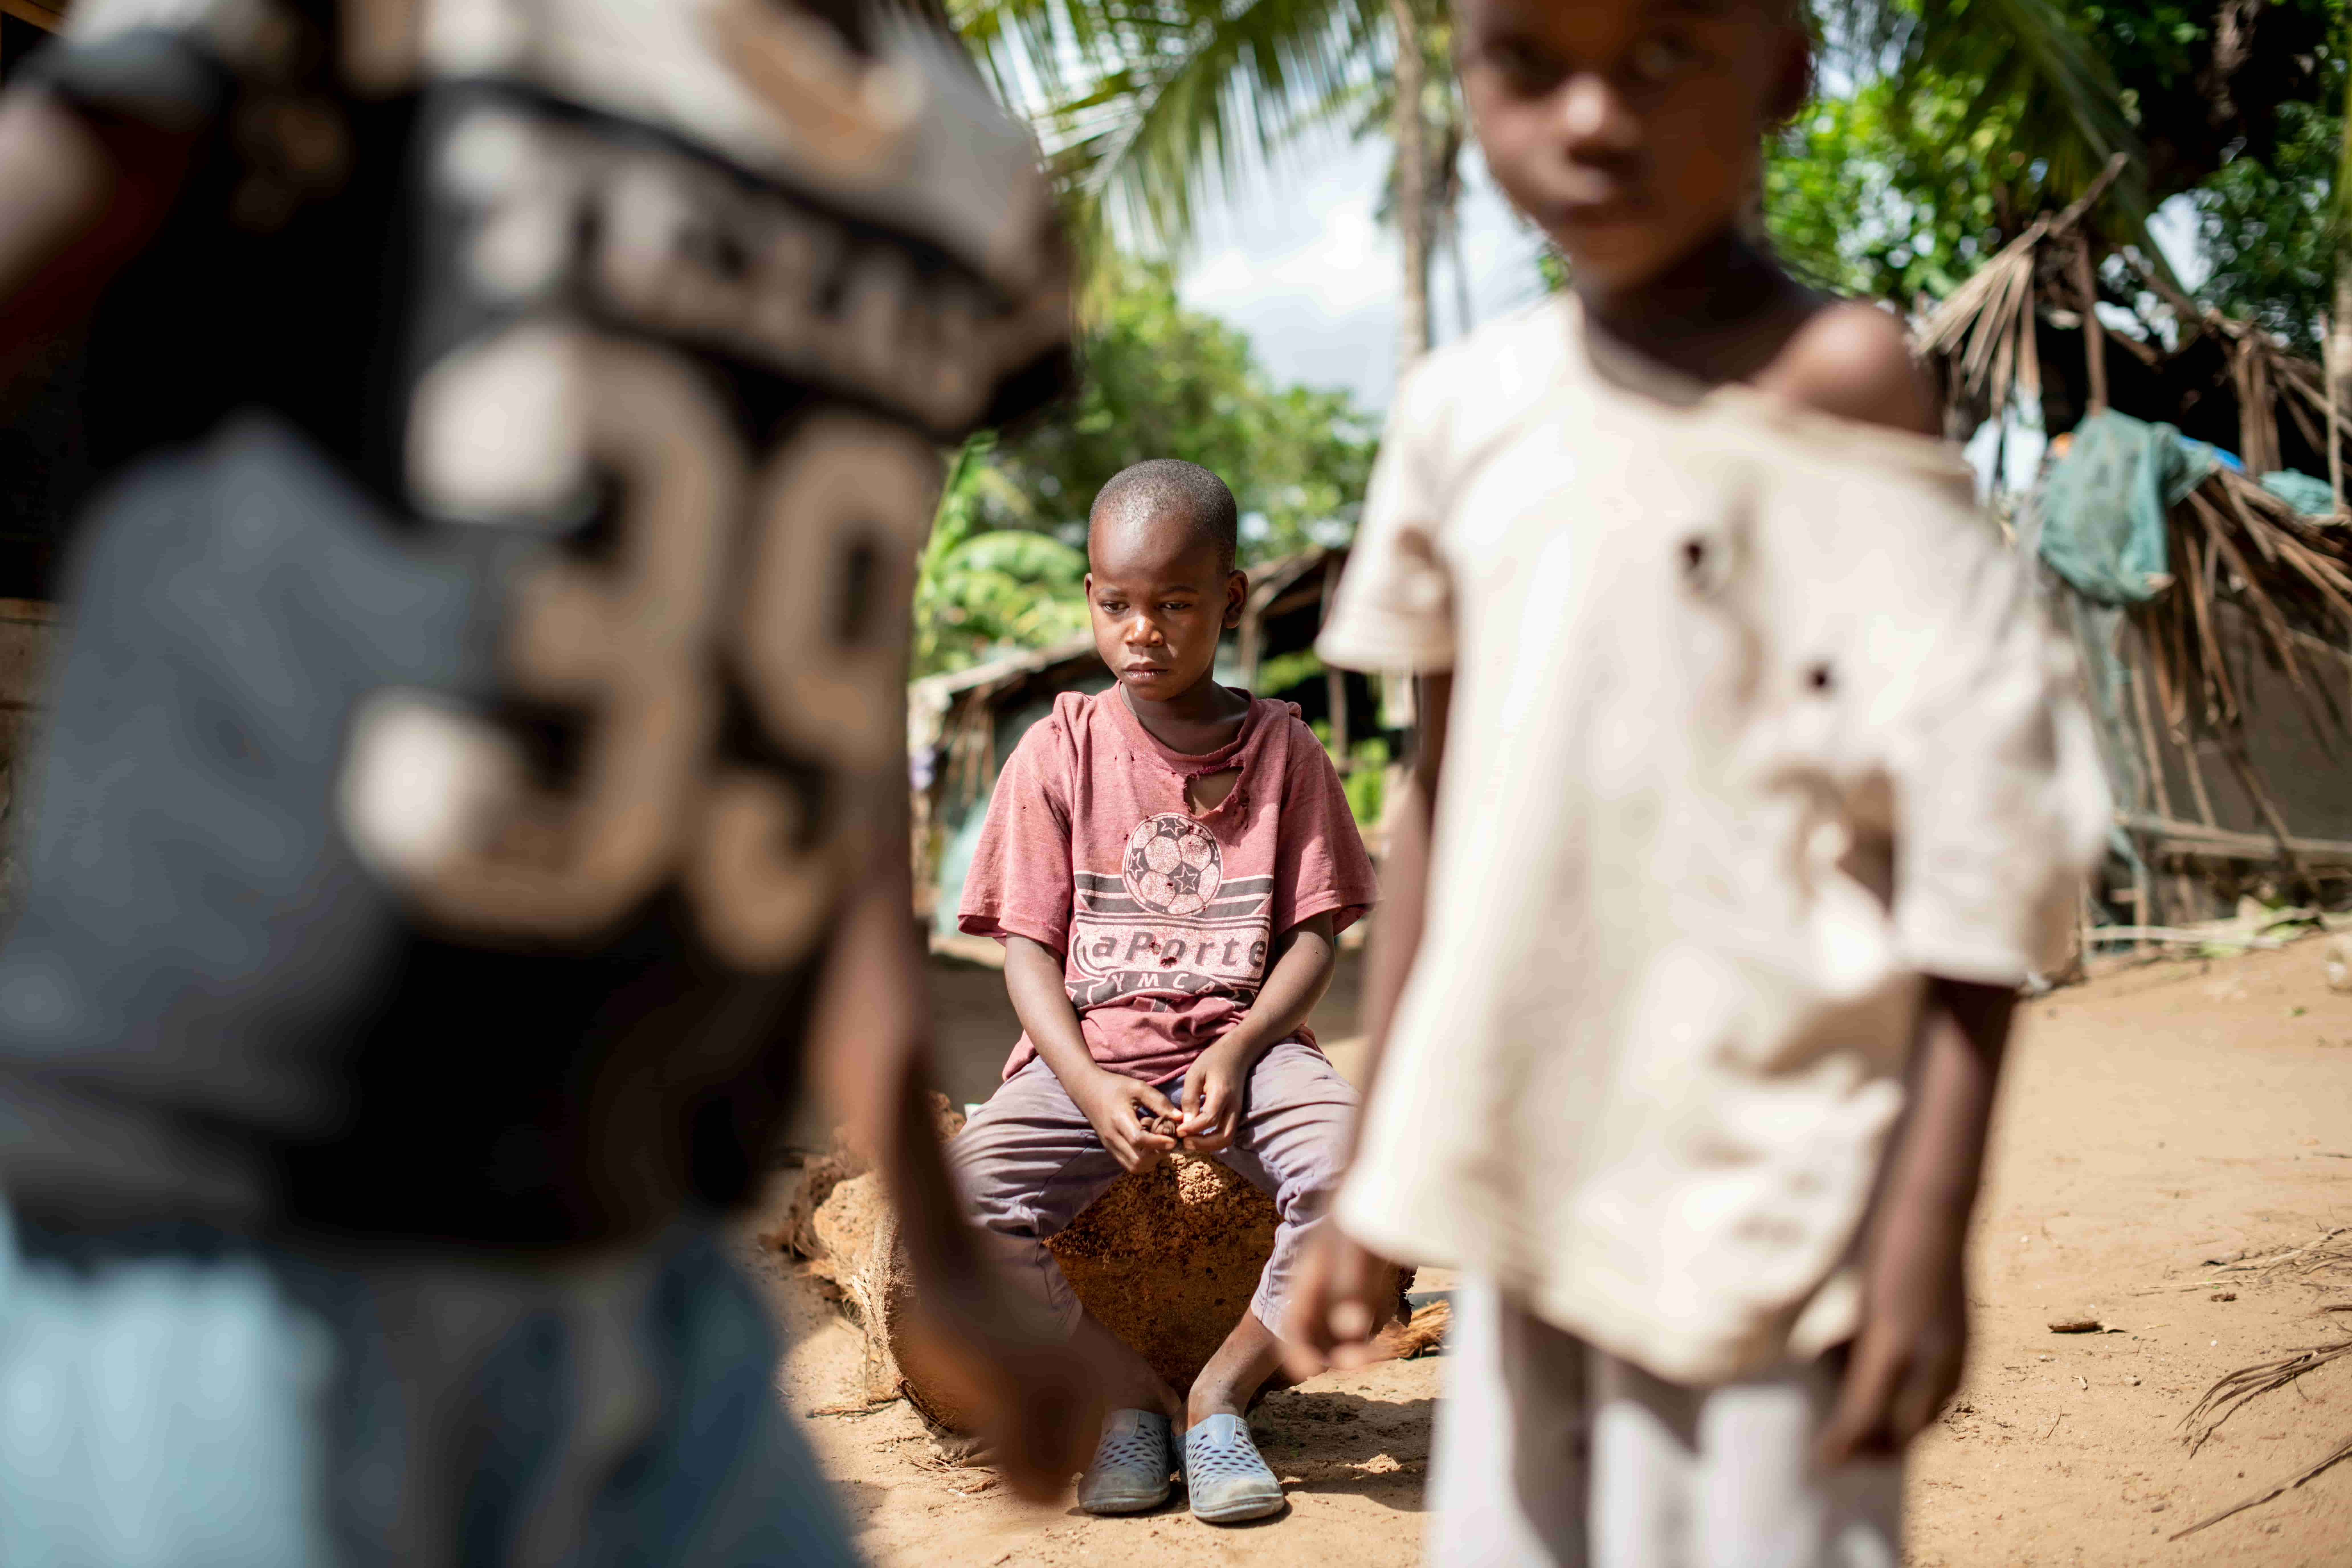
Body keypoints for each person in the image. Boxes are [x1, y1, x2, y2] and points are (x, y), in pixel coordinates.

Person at [0, 0, 1101, 1561]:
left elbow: (822, 719)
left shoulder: (957, 161)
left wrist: (938, 1225)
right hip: (222, 1222)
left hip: (646, 1265)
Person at [1283, 0, 2109, 1563]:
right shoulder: (1462, 417)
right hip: (1527, 1181)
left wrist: (1924, 1228)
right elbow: (1439, 819)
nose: (1593, 120)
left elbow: (1984, 829)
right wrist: (1376, 1174)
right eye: (1528, 61)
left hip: (1780, 1194)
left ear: (1788, 63)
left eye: (1665, 53)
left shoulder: (1845, 383)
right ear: (1463, 76)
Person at [950, 458, 1379, 1525]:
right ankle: (1126, 1399)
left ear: (1230, 602)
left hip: (1253, 1052)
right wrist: (1088, 1083)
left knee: (1365, 1174)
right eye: (1116, 605)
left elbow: (1316, 936)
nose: (1142, 630)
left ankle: (1218, 1396)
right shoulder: (1057, 753)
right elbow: (1028, 950)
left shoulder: (1286, 753)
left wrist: (1240, 1050)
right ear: (1091, 599)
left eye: (1175, 604)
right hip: (1094, 1053)